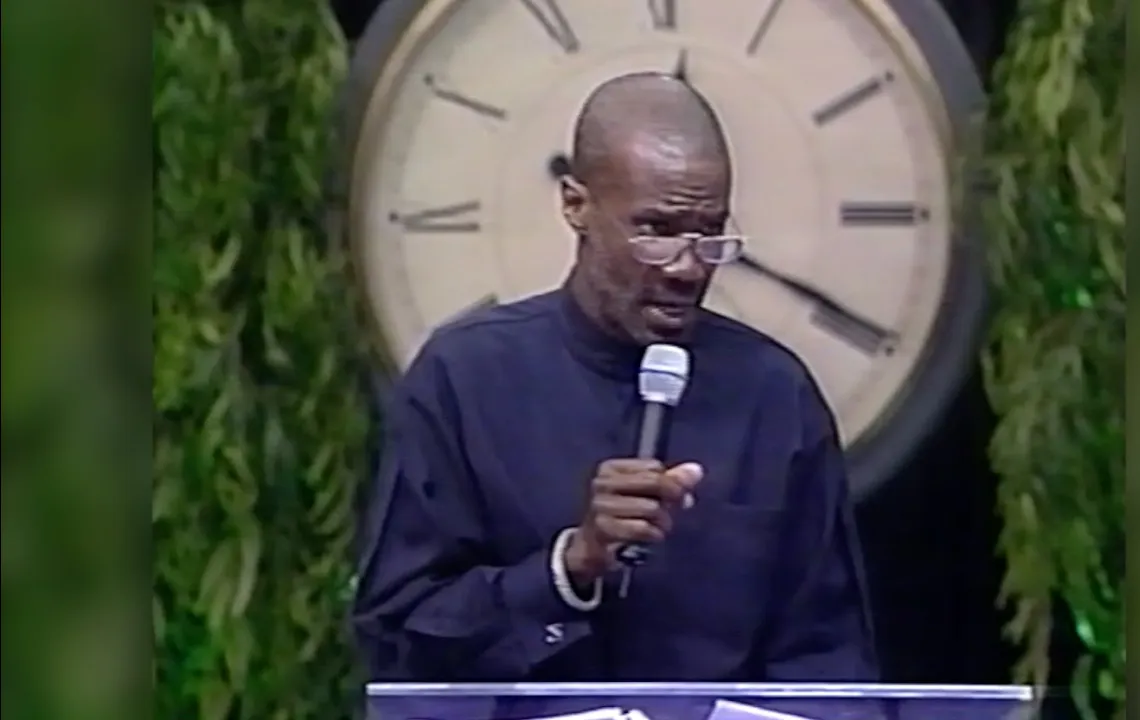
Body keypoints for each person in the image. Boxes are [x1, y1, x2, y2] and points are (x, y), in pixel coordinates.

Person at [352, 72, 878, 682]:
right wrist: (569, 567)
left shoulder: (775, 396)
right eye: (655, 231)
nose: (687, 268)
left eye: (710, 234)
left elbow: (830, 661)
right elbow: (399, 639)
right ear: (575, 205)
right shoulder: (463, 380)